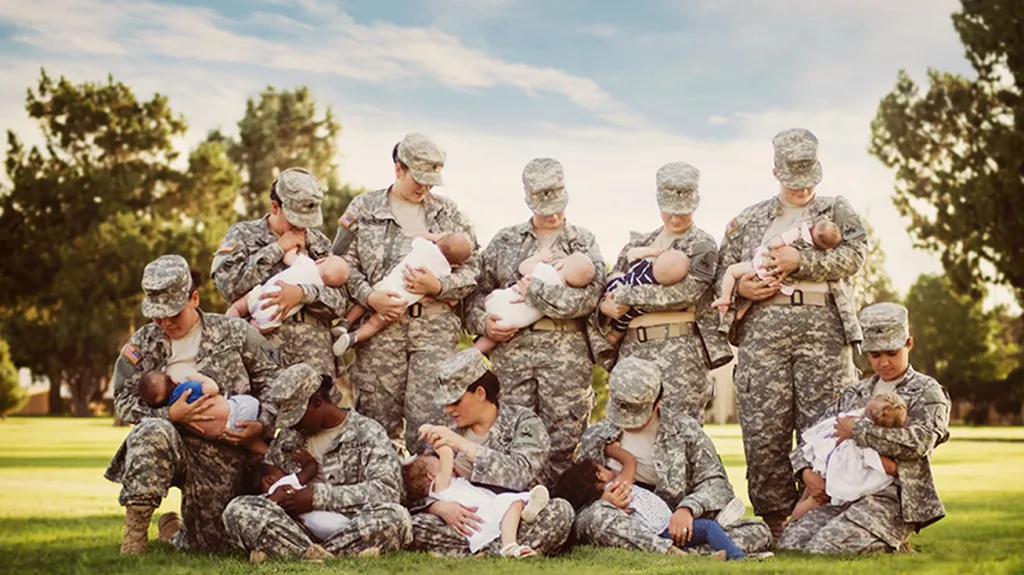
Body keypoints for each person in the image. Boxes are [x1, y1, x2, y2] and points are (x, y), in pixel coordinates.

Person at [715, 128, 867, 539]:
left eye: (809, 180)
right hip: (764, 330)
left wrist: (802, 260)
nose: (803, 189)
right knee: (765, 427)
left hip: (824, 329)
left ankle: (829, 516)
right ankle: (776, 523)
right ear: (775, 172)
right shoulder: (747, 220)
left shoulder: (836, 210)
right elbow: (720, 273)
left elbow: (856, 255)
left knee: (826, 425)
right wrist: (742, 289)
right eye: (793, 181)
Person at [104, 255, 282, 554]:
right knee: (153, 431)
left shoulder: (235, 333)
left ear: (194, 298)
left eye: (173, 314)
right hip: (169, 443)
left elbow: (275, 383)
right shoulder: (143, 343)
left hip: (223, 449)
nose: (165, 323)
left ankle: (175, 529)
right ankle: (135, 538)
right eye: (157, 316)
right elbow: (123, 399)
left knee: (211, 546)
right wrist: (168, 414)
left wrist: (261, 425)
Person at [331, 133, 480, 453]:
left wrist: (439, 287)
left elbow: (473, 269)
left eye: (431, 181)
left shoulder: (448, 212)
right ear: (399, 169)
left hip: (433, 333)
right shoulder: (364, 208)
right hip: (380, 333)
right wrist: (369, 297)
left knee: (431, 424)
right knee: (375, 425)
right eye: (419, 179)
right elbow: (341, 264)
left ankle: (430, 498)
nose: (425, 188)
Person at [464, 158, 605, 486]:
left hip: (565, 356)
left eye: (557, 204)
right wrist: (485, 324)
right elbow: (474, 295)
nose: (553, 214)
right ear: (528, 200)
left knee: (563, 440)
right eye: (544, 207)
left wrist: (538, 294)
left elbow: (590, 299)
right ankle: (513, 509)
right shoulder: (505, 241)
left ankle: (560, 513)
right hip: (512, 353)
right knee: (512, 437)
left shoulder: (582, 241)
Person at [779, 302, 951, 554]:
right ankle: (880, 540)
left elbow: (920, 442)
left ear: (909, 344)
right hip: (841, 492)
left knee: (825, 548)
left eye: (891, 353)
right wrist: (805, 472)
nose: (883, 362)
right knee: (791, 544)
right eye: (875, 355)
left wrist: (858, 431)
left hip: (892, 497)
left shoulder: (926, 392)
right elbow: (815, 436)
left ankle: (893, 542)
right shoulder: (854, 392)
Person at [573, 356, 772, 557]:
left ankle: (670, 552)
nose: (629, 420)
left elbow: (717, 484)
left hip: (678, 524)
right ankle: (675, 552)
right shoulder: (597, 437)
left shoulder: (685, 431)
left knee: (758, 531)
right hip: (625, 522)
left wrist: (688, 508)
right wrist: (603, 501)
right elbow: (577, 498)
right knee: (595, 517)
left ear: (657, 402)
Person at [222, 363, 412, 560]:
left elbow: (387, 491)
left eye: (297, 416)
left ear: (317, 401)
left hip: (352, 525)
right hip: (297, 528)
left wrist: (317, 496)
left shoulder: (367, 432)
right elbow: (273, 480)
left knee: (396, 517)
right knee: (237, 509)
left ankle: (300, 553)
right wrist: (278, 497)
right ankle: (321, 554)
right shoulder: (290, 438)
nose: (293, 425)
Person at [590, 162, 732, 422]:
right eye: (670, 211)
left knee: (679, 433)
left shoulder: (701, 245)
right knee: (630, 434)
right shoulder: (638, 244)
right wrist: (604, 307)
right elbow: (608, 285)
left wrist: (627, 296)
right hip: (632, 351)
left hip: (679, 352)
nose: (676, 218)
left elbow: (686, 293)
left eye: (683, 211)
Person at [409, 349, 575, 557]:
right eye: (446, 404)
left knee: (560, 512)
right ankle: (507, 551)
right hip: (468, 522)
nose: (449, 410)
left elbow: (520, 474)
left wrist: (463, 445)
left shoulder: (523, 421)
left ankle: (489, 551)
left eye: (456, 401)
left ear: (480, 393)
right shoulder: (448, 429)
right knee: (414, 524)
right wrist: (437, 507)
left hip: (516, 516)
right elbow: (421, 484)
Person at [212, 167, 347, 385]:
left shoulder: (319, 242)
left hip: (314, 355)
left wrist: (303, 294)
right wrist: (276, 249)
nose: (302, 227)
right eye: (295, 220)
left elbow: (340, 302)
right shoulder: (243, 235)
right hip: (262, 351)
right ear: (275, 207)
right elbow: (229, 286)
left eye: (308, 220)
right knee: (265, 413)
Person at [554, 459, 750, 560]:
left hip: (663, 527)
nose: (609, 469)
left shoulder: (613, 490)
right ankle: (736, 556)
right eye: (603, 468)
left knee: (754, 529)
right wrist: (616, 451)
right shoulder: (613, 490)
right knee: (709, 528)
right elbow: (630, 463)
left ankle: (709, 553)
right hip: (661, 530)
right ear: (599, 476)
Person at [332, 232, 474, 355]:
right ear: (455, 265)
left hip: (386, 285)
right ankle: (353, 337)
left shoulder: (425, 247)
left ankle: (345, 323)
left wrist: (434, 236)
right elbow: (451, 298)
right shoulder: (445, 272)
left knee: (363, 302)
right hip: (399, 301)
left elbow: (417, 237)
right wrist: (429, 294)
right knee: (375, 324)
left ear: (438, 242)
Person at [403, 442, 551, 557]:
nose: (446, 464)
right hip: (483, 514)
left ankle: (524, 511)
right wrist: (439, 440)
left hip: (486, 510)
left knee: (511, 503)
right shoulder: (440, 485)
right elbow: (447, 452)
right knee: (509, 503)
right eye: (437, 462)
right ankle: (509, 545)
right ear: (431, 475)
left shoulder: (447, 485)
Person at [790, 391, 908, 521]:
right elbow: (889, 467)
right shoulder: (864, 444)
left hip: (824, 463)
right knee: (814, 500)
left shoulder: (850, 419)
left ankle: (791, 521)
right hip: (837, 471)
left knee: (808, 495)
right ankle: (792, 521)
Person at [473, 250, 597, 354]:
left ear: (560, 265)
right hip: (518, 321)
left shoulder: (546, 270)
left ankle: (471, 353)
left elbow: (523, 267)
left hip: (503, 302)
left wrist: (538, 258)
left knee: (499, 309)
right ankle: (477, 350)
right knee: (500, 330)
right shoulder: (563, 291)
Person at [712, 219, 842, 318]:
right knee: (759, 293)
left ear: (812, 227)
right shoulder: (816, 252)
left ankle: (725, 297)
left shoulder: (797, 234)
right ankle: (742, 311)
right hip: (780, 283)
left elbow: (774, 244)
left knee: (731, 271)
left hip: (763, 267)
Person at [225, 249, 350, 333]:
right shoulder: (320, 287)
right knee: (254, 330)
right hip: (272, 314)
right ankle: (249, 328)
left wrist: (294, 249)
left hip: (261, 294)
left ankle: (226, 326)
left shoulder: (307, 262)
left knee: (238, 307)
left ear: (321, 260)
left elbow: (288, 257)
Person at [250, 450, 357, 543]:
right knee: (346, 527)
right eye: (281, 471)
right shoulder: (281, 484)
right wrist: (308, 461)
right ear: (270, 479)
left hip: (308, 528)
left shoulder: (269, 503)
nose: (285, 473)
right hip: (327, 521)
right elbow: (310, 471)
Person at [603, 247, 692, 345]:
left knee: (616, 276)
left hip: (616, 293)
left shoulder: (643, 269)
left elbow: (632, 254)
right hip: (632, 313)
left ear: (654, 263)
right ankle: (614, 335)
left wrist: (652, 251)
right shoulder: (660, 289)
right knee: (623, 323)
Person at [138, 370, 260, 441]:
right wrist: (200, 378)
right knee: (253, 403)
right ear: (173, 380)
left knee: (248, 442)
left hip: (225, 434)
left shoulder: (176, 413)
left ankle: (262, 452)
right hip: (238, 410)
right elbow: (212, 389)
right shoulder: (185, 389)